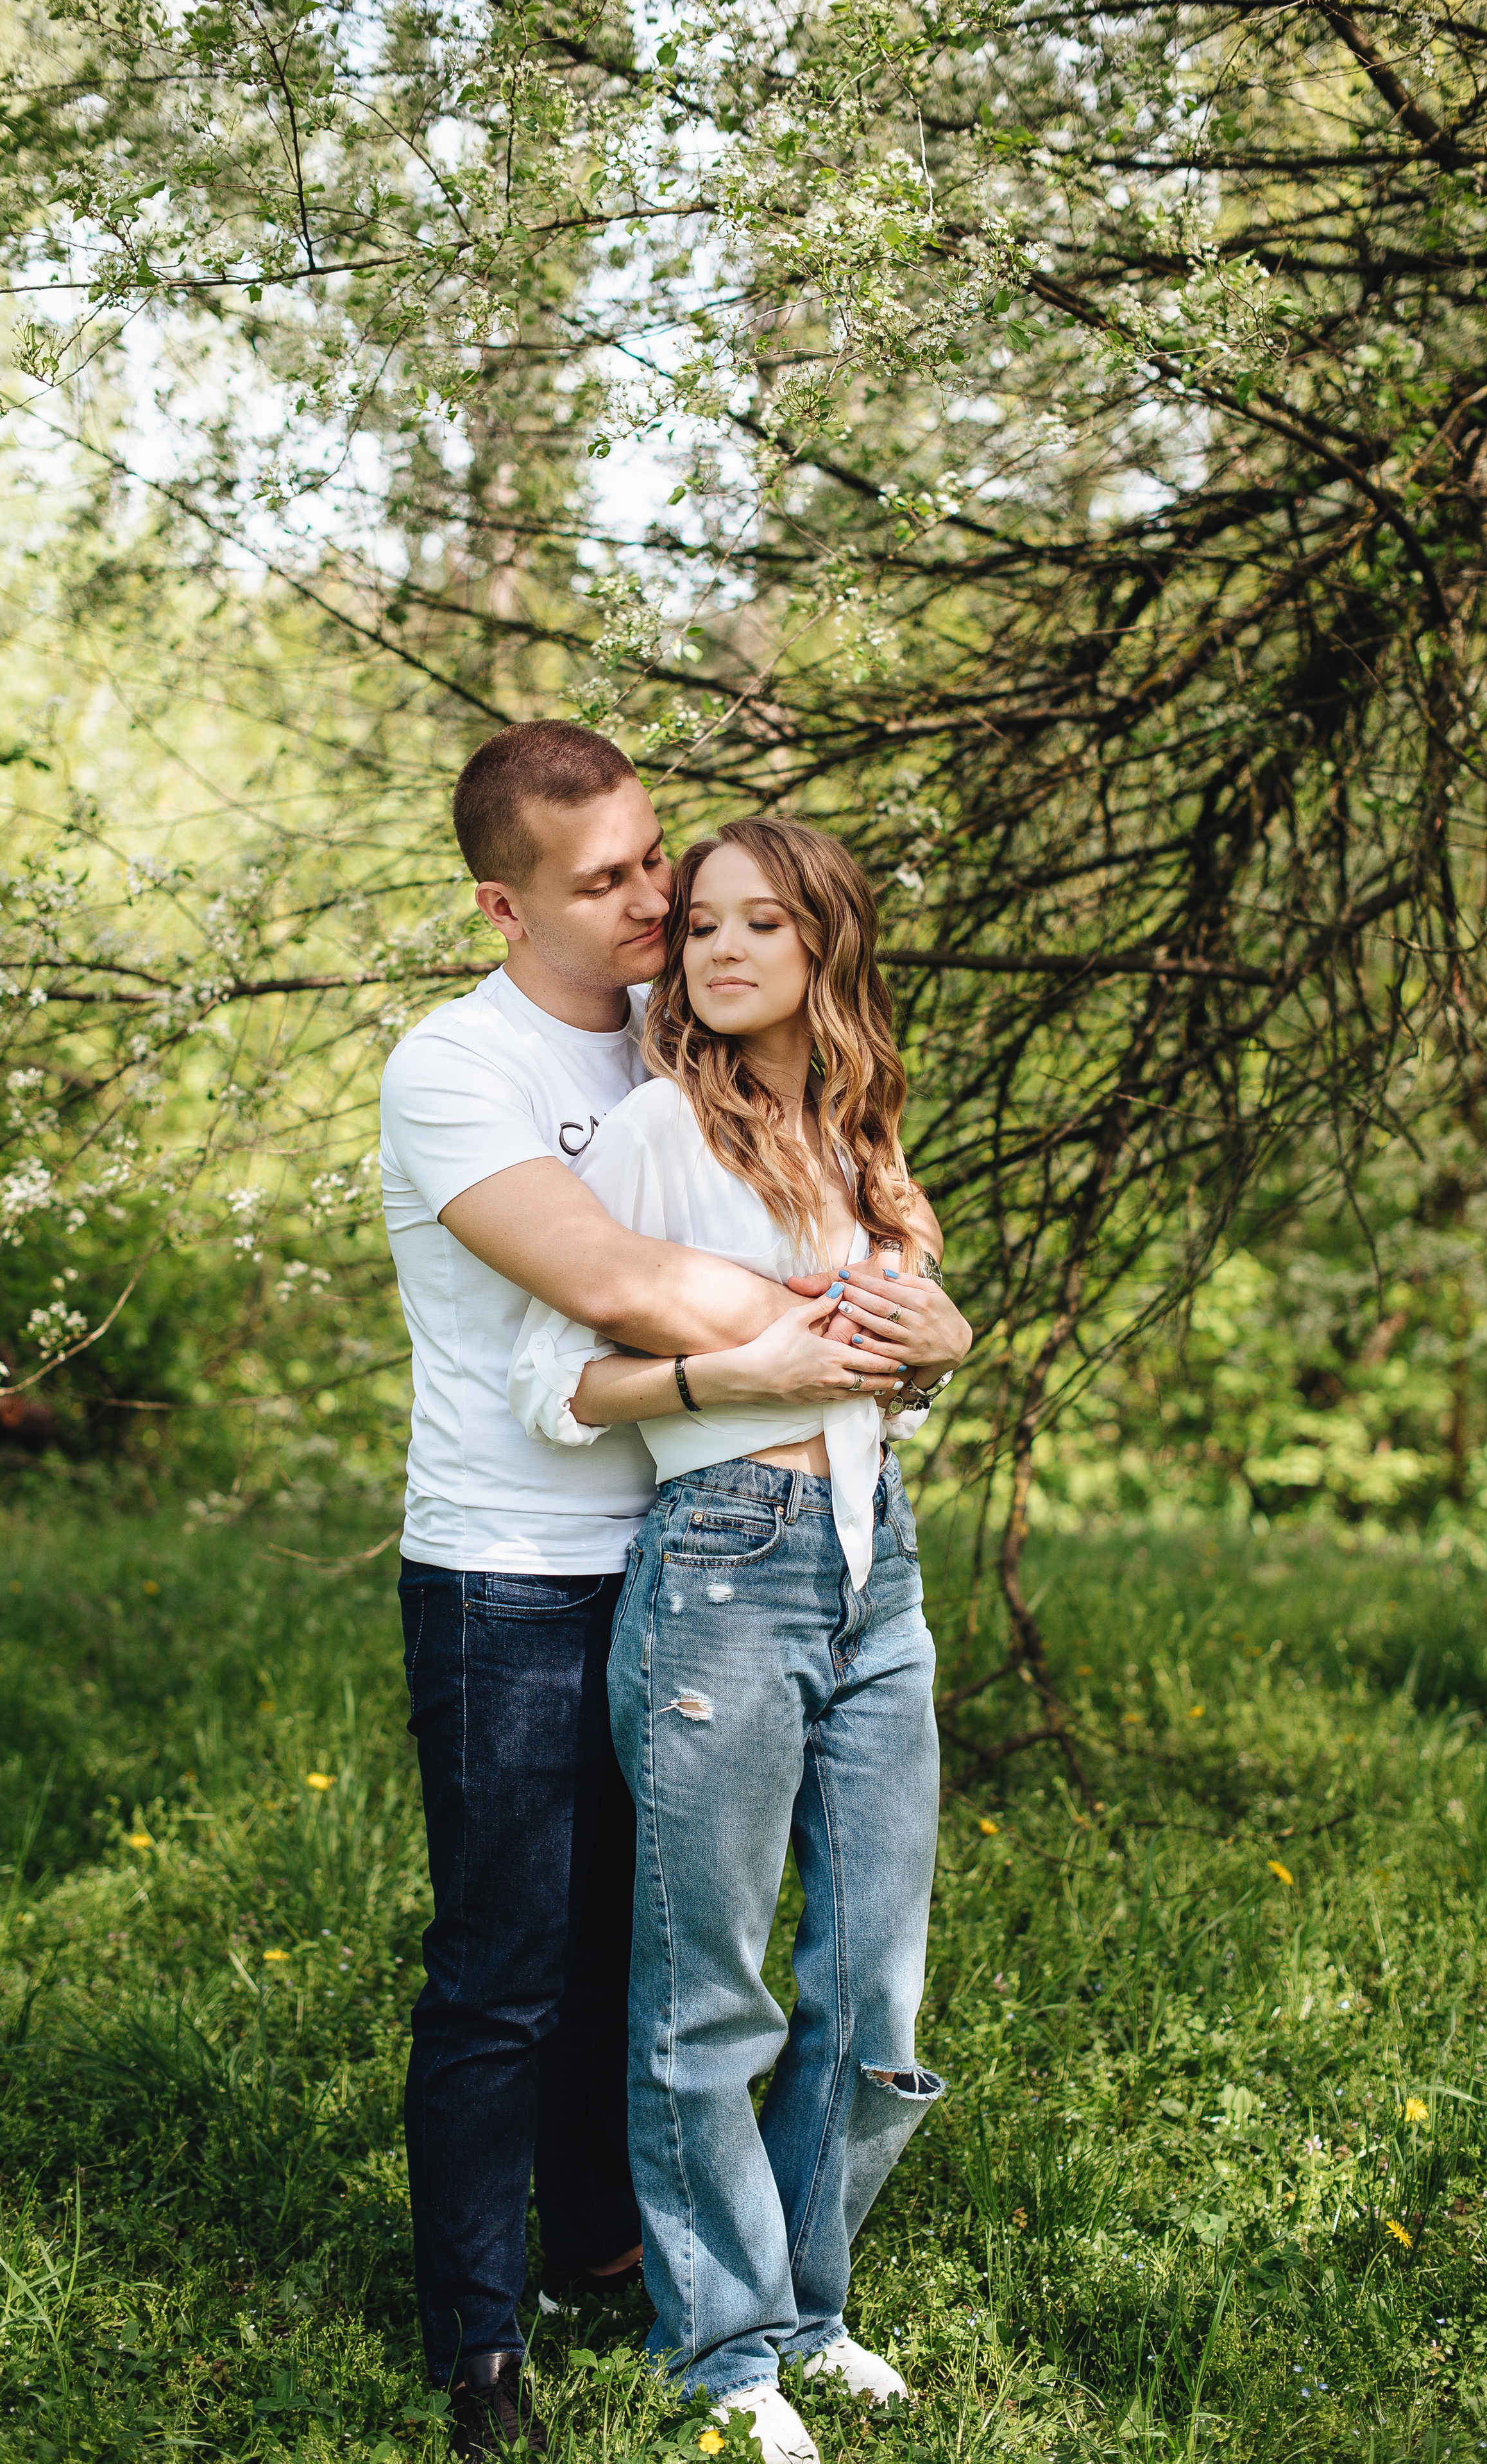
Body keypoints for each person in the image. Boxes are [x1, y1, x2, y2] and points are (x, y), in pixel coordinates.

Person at [378, 724, 924, 2459]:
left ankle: (613, 2249)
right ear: (503, 900)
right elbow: (609, 1282)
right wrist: (842, 1330)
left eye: (656, 861)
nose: (658, 899)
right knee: (509, 1962)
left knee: (657, 1941)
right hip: (510, 1567)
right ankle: (481, 2341)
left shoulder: (694, 1028)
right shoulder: (454, 1067)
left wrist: (914, 1306)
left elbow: (857, 1194)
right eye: (609, 880)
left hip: (703, 1551)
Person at [508, 816, 972, 2464]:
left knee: (872, 1989)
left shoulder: (858, 1129)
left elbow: (906, 1349)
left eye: (761, 923)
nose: (716, 949)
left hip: (874, 1562)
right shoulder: (650, 1134)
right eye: (698, 923)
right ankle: (720, 2349)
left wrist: (946, 1337)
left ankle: (810, 2309)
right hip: (721, 1561)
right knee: (705, 1991)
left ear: (822, 947)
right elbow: (556, 1387)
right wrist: (737, 1379)